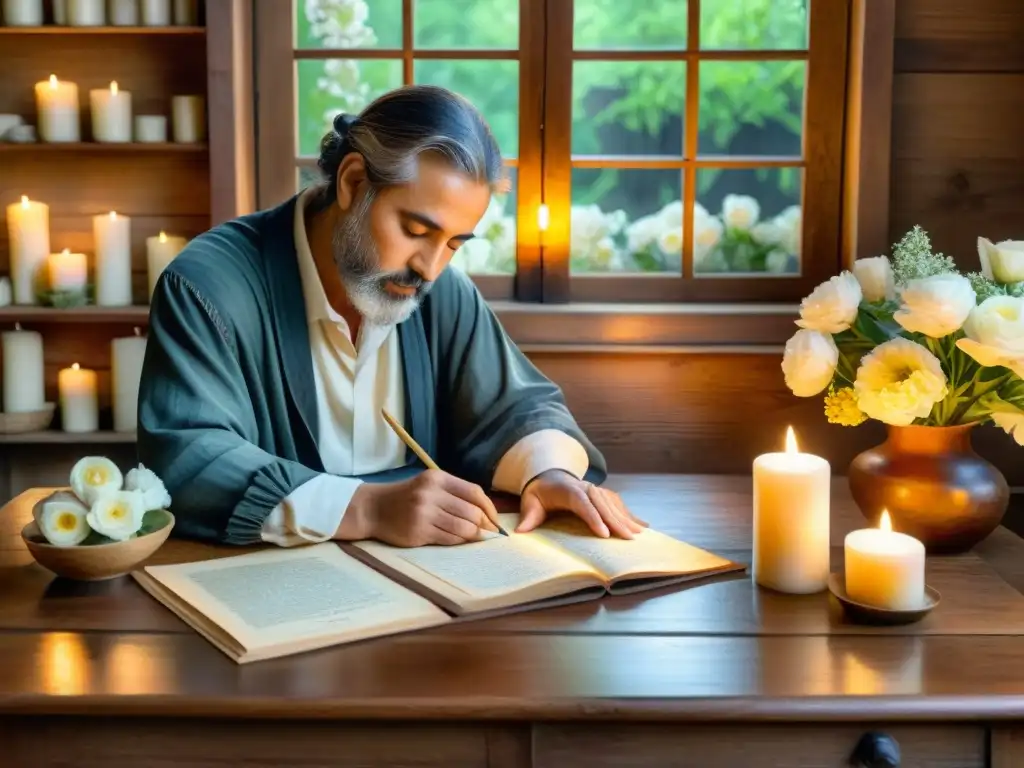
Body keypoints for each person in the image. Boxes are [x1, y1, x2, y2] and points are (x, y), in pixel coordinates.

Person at [137, 84, 645, 549]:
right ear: (354, 181)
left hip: (431, 593)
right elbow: (189, 455)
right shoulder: (209, 286)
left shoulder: (438, 290)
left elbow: (516, 406)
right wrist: (367, 509)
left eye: (453, 243)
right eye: (416, 229)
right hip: (266, 597)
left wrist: (548, 474)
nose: (430, 266)